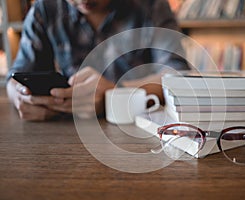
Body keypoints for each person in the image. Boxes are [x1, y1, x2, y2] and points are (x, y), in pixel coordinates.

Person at [6, 0, 189, 121]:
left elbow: (178, 77)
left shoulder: (151, 5)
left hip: (137, 130)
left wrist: (115, 93)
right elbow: (16, 77)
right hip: (66, 134)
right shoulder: (45, 8)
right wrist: (21, 96)